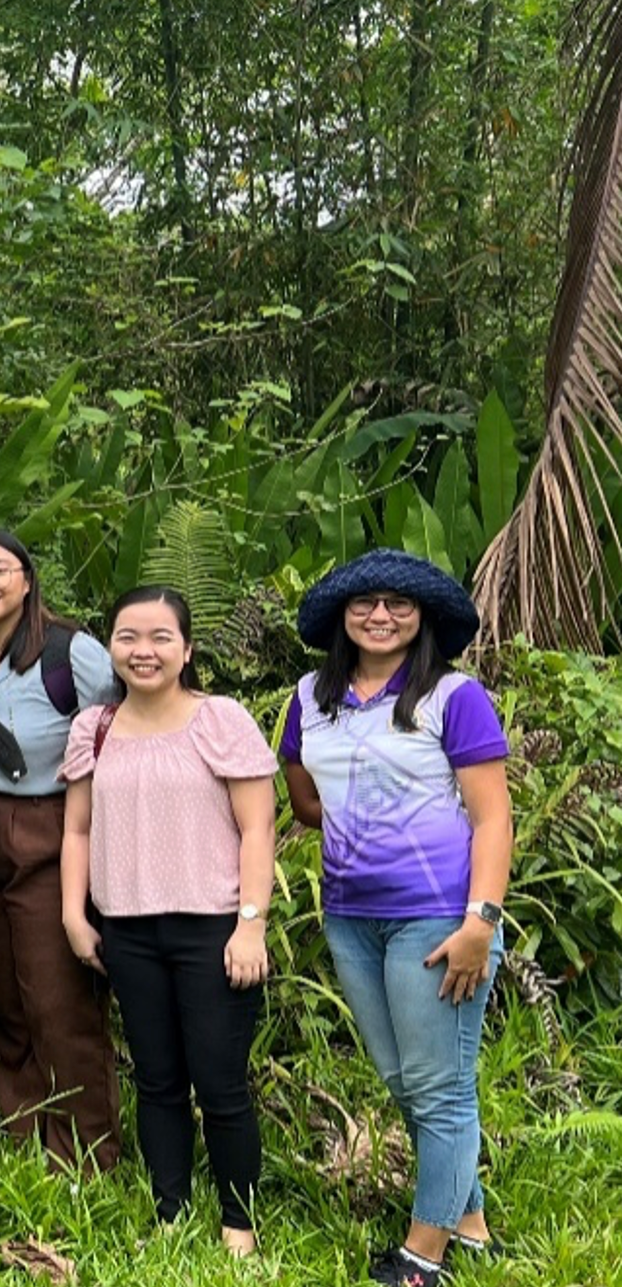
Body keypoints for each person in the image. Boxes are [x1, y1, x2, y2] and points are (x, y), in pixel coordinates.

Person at [280, 550, 512, 1287]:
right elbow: (303, 795)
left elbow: (493, 815)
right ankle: (467, 1222)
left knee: (439, 1086)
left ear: (425, 619)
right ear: (341, 617)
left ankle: (422, 1258)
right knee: (404, 1079)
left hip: (440, 916)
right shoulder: (308, 699)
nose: (381, 615)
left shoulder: (454, 695)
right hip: (351, 915)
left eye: (399, 604)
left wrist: (482, 919)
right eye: (365, 603)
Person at [60, 586, 277, 1258]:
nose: (143, 651)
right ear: (110, 648)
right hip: (127, 928)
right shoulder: (93, 726)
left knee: (219, 1084)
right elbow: (77, 829)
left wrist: (251, 923)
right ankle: (170, 1209)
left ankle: (237, 1223)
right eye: (128, 637)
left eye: (159, 638)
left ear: (186, 650)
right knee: (156, 1082)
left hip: (211, 929)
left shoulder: (221, 719)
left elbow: (257, 827)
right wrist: (74, 912)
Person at [0, 528, 123, 1172]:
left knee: (59, 1000)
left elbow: (125, 731)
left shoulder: (71, 654)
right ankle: (24, 1134)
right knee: (3, 996)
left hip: (52, 829)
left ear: (26, 577)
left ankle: (86, 1155)